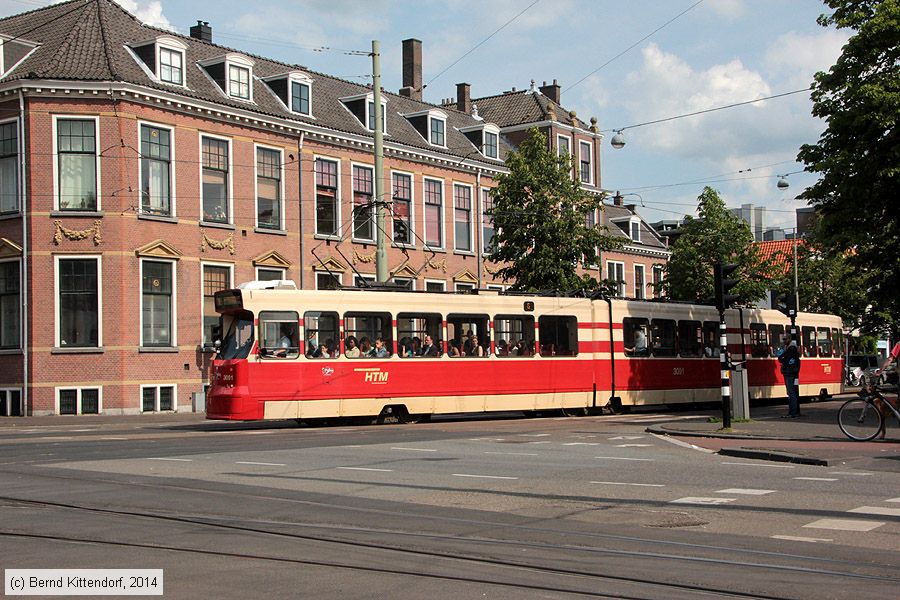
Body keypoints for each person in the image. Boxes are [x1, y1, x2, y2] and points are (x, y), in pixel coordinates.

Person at [777, 333, 802, 418]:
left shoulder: (791, 348)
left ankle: (793, 412)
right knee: (792, 391)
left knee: (791, 392)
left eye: (785, 339)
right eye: (783, 339)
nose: (784, 341)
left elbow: (783, 358)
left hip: (789, 372)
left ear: (789, 339)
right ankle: (793, 412)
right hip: (792, 372)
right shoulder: (790, 348)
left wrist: (781, 358)